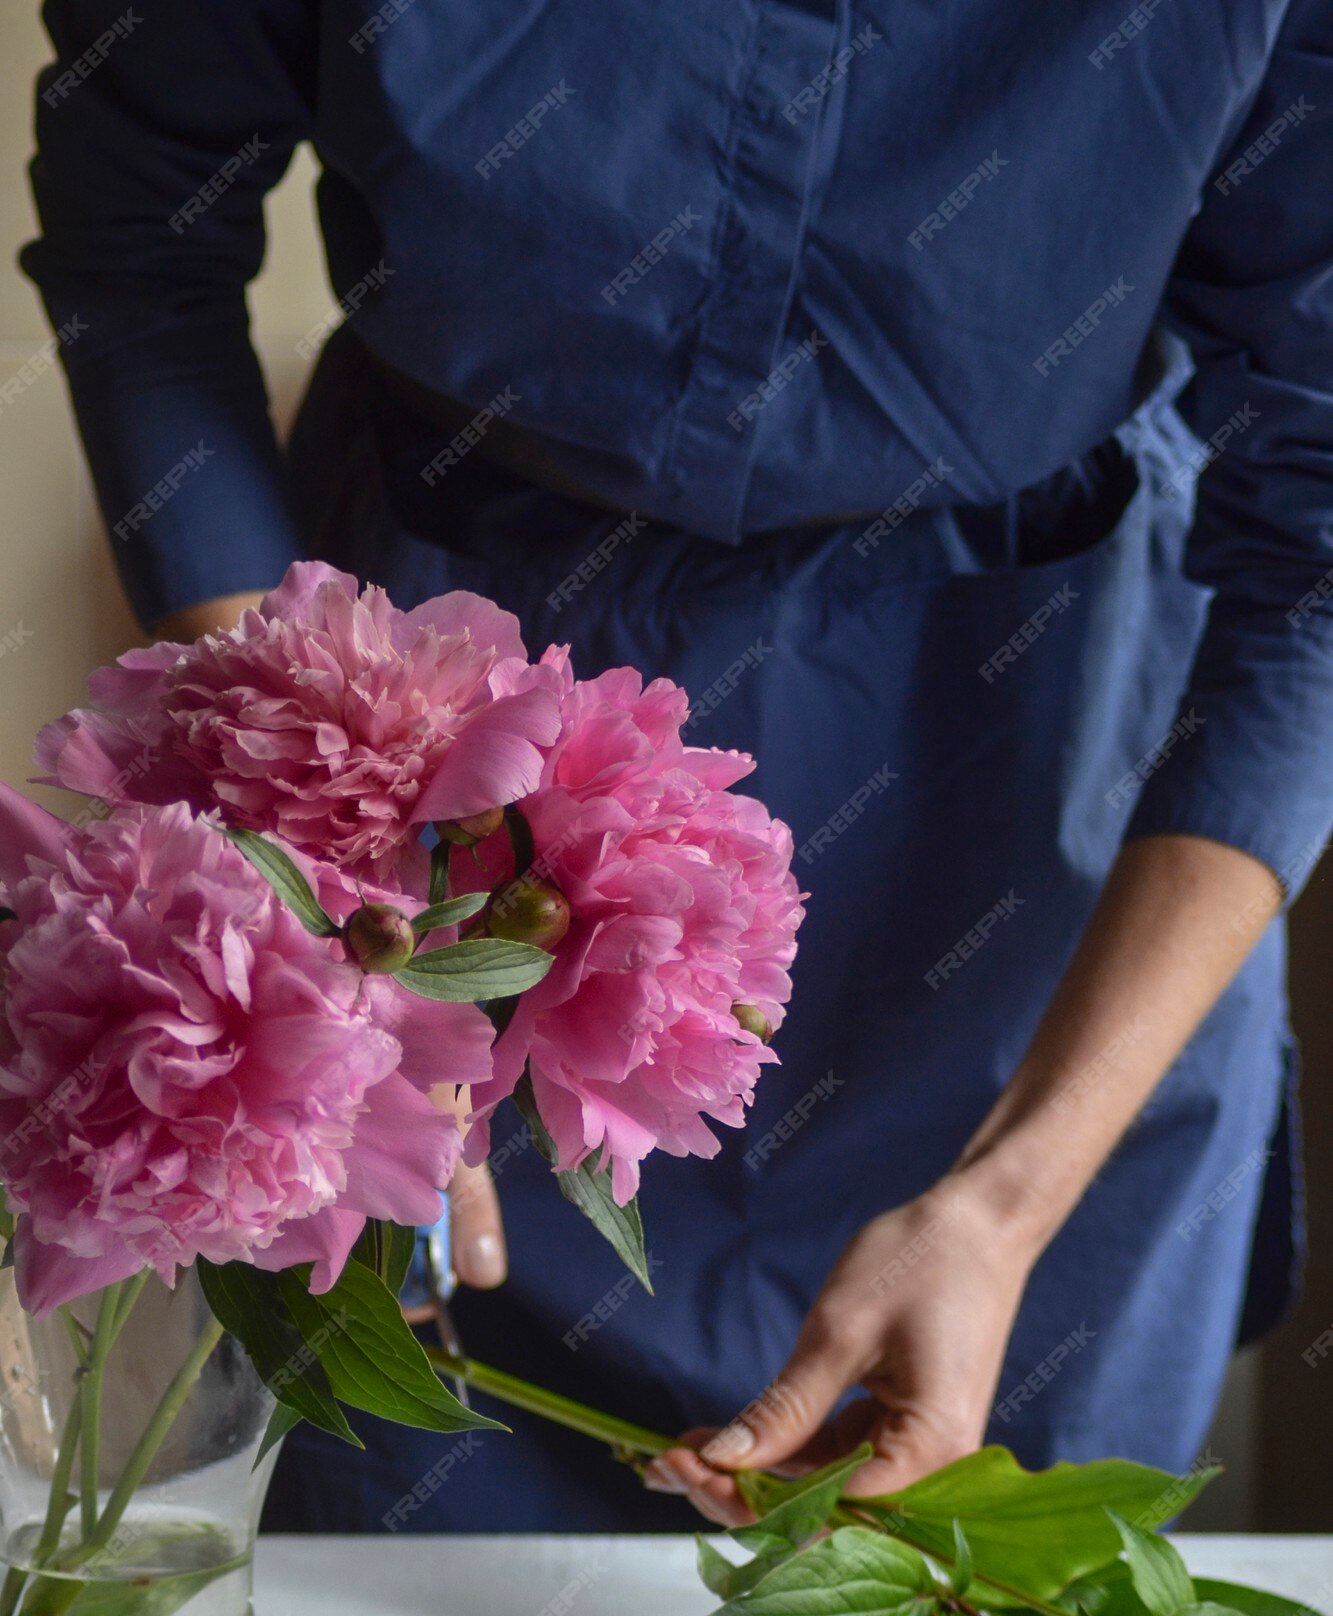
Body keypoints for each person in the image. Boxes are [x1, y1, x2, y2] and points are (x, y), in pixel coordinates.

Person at [21, 3, 1332, 1532]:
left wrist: (1007, 1196)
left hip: (1038, 822)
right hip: (431, 771)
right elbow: (142, 243)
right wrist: (307, 889)